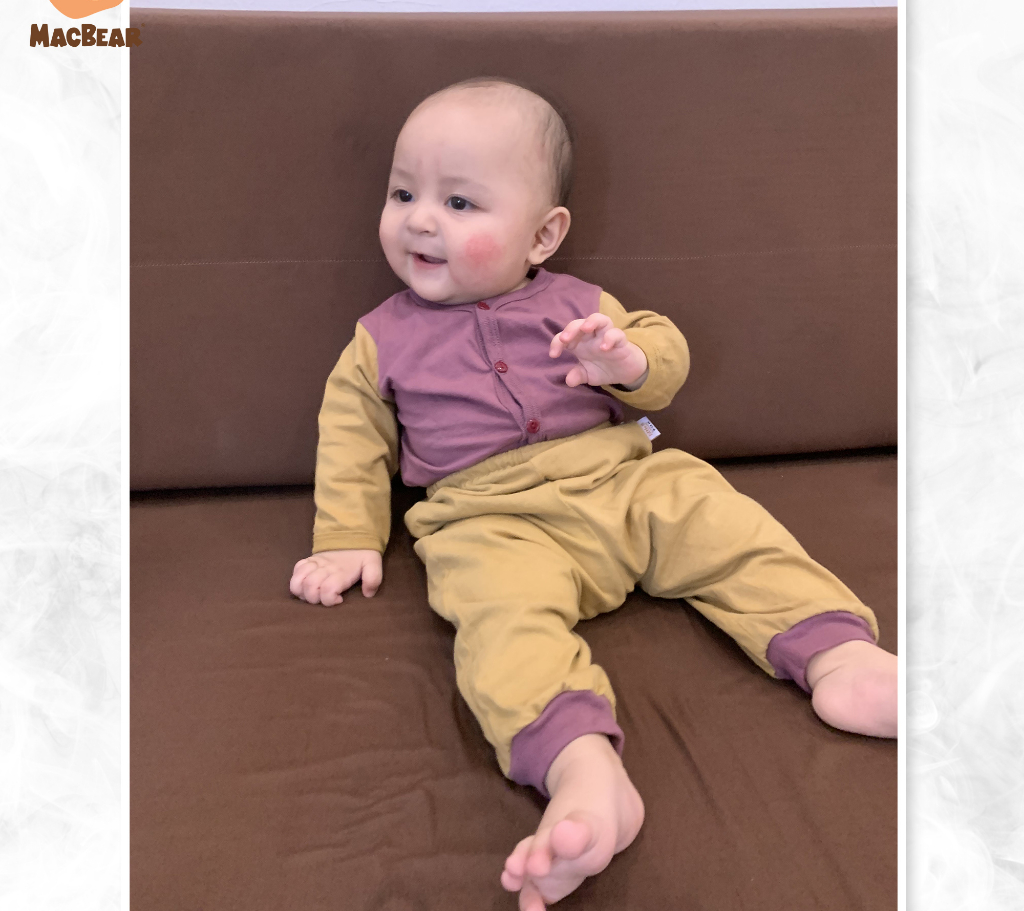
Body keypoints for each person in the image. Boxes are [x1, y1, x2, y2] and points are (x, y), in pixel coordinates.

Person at [289, 76, 898, 910]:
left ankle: (840, 656)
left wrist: (627, 362)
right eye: (403, 195)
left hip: (619, 478)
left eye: (459, 202)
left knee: (718, 518)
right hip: (488, 519)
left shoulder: (579, 305)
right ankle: (582, 769)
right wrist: (347, 537)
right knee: (497, 624)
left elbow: (663, 357)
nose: (420, 220)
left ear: (543, 234)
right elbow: (351, 438)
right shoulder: (379, 339)